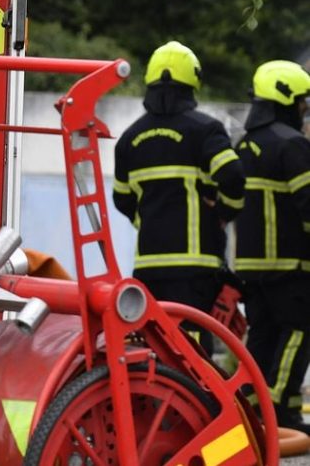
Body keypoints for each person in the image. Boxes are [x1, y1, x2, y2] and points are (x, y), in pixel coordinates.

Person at [112, 41, 245, 351]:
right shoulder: (206, 130)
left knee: (155, 345)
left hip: (149, 267)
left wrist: (148, 220)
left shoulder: (130, 139)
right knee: (194, 350)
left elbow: (122, 199)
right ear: (192, 82)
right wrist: (224, 213)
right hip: (196, 268)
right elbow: (233, 176)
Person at [233, 60, 310, 434]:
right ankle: (277, 410)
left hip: (250, 265)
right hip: (290, 263)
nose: (303, 110)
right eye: (301, 103)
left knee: (262, 334)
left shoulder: (244, 145)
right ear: (285, 99)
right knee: (298, 330)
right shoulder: (292, 144)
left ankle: (253, 407)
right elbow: (309, 204)